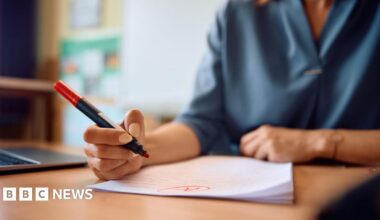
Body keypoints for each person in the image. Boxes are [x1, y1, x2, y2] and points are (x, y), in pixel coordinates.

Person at [83, 0, 380, 180]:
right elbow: (200, 123)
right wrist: (134, 152)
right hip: (251, 202)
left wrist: (322, 142)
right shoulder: (238, 13)